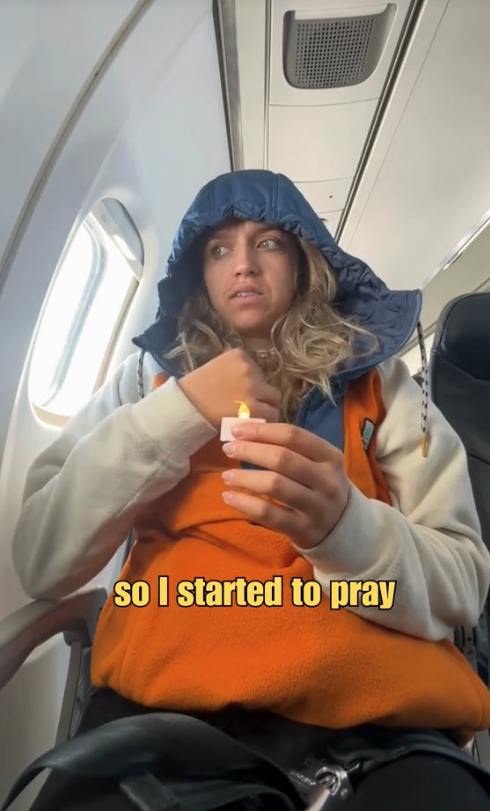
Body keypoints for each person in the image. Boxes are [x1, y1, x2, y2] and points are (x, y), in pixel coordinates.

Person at [10, 169, 490, 810]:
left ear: (302, 262)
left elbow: (463, 582)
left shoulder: (384, 382)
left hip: (379, 730)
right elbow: (41, 559)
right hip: (164, 720)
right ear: (196, 271)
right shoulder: (144, 381)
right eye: (218, 249)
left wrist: (344, 529)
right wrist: (177, 412)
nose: (243, 265)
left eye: (267, 243)